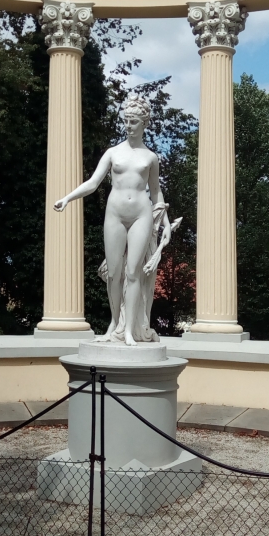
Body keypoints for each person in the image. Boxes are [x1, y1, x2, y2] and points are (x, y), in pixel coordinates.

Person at [54, 93, 175, 346]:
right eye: (126, 120)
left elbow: (155, 192)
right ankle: (114, 324)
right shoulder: (113, 153)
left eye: (133, 121)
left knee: (133, 272)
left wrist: (165, 224)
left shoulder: (150, 157)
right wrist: (68, 198)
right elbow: (93, 182)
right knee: (113, 273)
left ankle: (128, 330)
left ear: (144, 123)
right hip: (115, 214)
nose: (128, 126)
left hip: (141, 214)